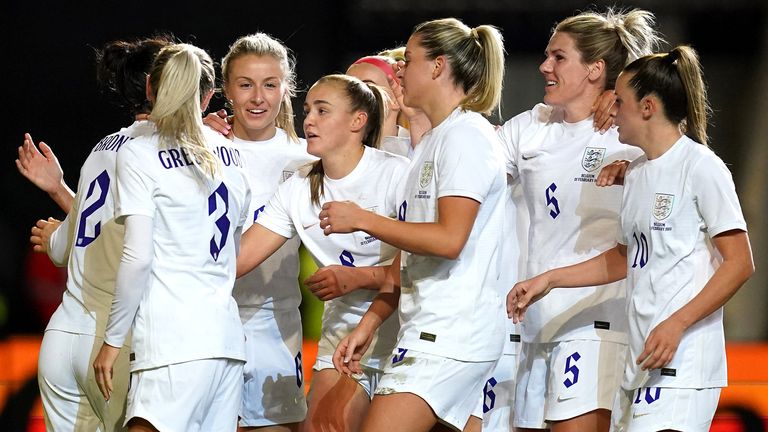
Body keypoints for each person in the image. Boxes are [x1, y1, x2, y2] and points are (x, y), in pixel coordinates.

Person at [508, 45, 754, 432]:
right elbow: (624, 258)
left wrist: (677, 323)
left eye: (619, 101)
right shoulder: (637, 172)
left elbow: (740, 263)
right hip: (639, 360)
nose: (611, 109)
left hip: (683, 362)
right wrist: (549, 279)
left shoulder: (702, 167)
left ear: (648, 107)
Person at [324, 17, 508, 432]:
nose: (401, 69)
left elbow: (448, 240)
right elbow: (410, 257)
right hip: (432, 329)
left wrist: (363, 219)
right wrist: (369, 324)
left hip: (449, 336)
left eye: (409, 59)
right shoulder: (435, 141)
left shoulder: (467, 137)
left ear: (439, 66)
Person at [496, 8, 662, 431]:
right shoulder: (532, 125)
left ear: (596, 70)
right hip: (535, 324)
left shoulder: (627, 131)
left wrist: (622, 100)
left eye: (559, 57)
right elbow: (466, 171)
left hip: (596, 323)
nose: (544, 66)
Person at [235, 73, 409, 432]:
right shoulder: (298, 188)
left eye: (323, 111)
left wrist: (358, 278)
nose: (309, 120)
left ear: (358, 121)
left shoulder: (395, 174)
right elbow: (238, 259)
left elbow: (427, 261)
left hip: (409, 334)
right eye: (308, 110)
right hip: (342, 339)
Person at [91, 43, 252, 432]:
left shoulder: (140, 153)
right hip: (226, 342)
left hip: (172, 344)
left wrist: (113, 340)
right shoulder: (230, 154)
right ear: (209, 96)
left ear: (150, 87)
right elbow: (236, 241)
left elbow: (138, 256)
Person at [20, 36, 171, 432]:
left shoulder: (102, 148)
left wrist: (59, 194)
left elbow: (67, 244)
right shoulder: (166, 156)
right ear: (164, 85)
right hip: (116, 342)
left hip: (63, 336)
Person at [216, 33, 316, 432]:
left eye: (270, 85)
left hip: (274, 325)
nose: (258, 97)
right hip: (207, 321)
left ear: (285, 89)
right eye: (245, 85)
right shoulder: (201, 149)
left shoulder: (308, 160)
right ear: (226, 90)